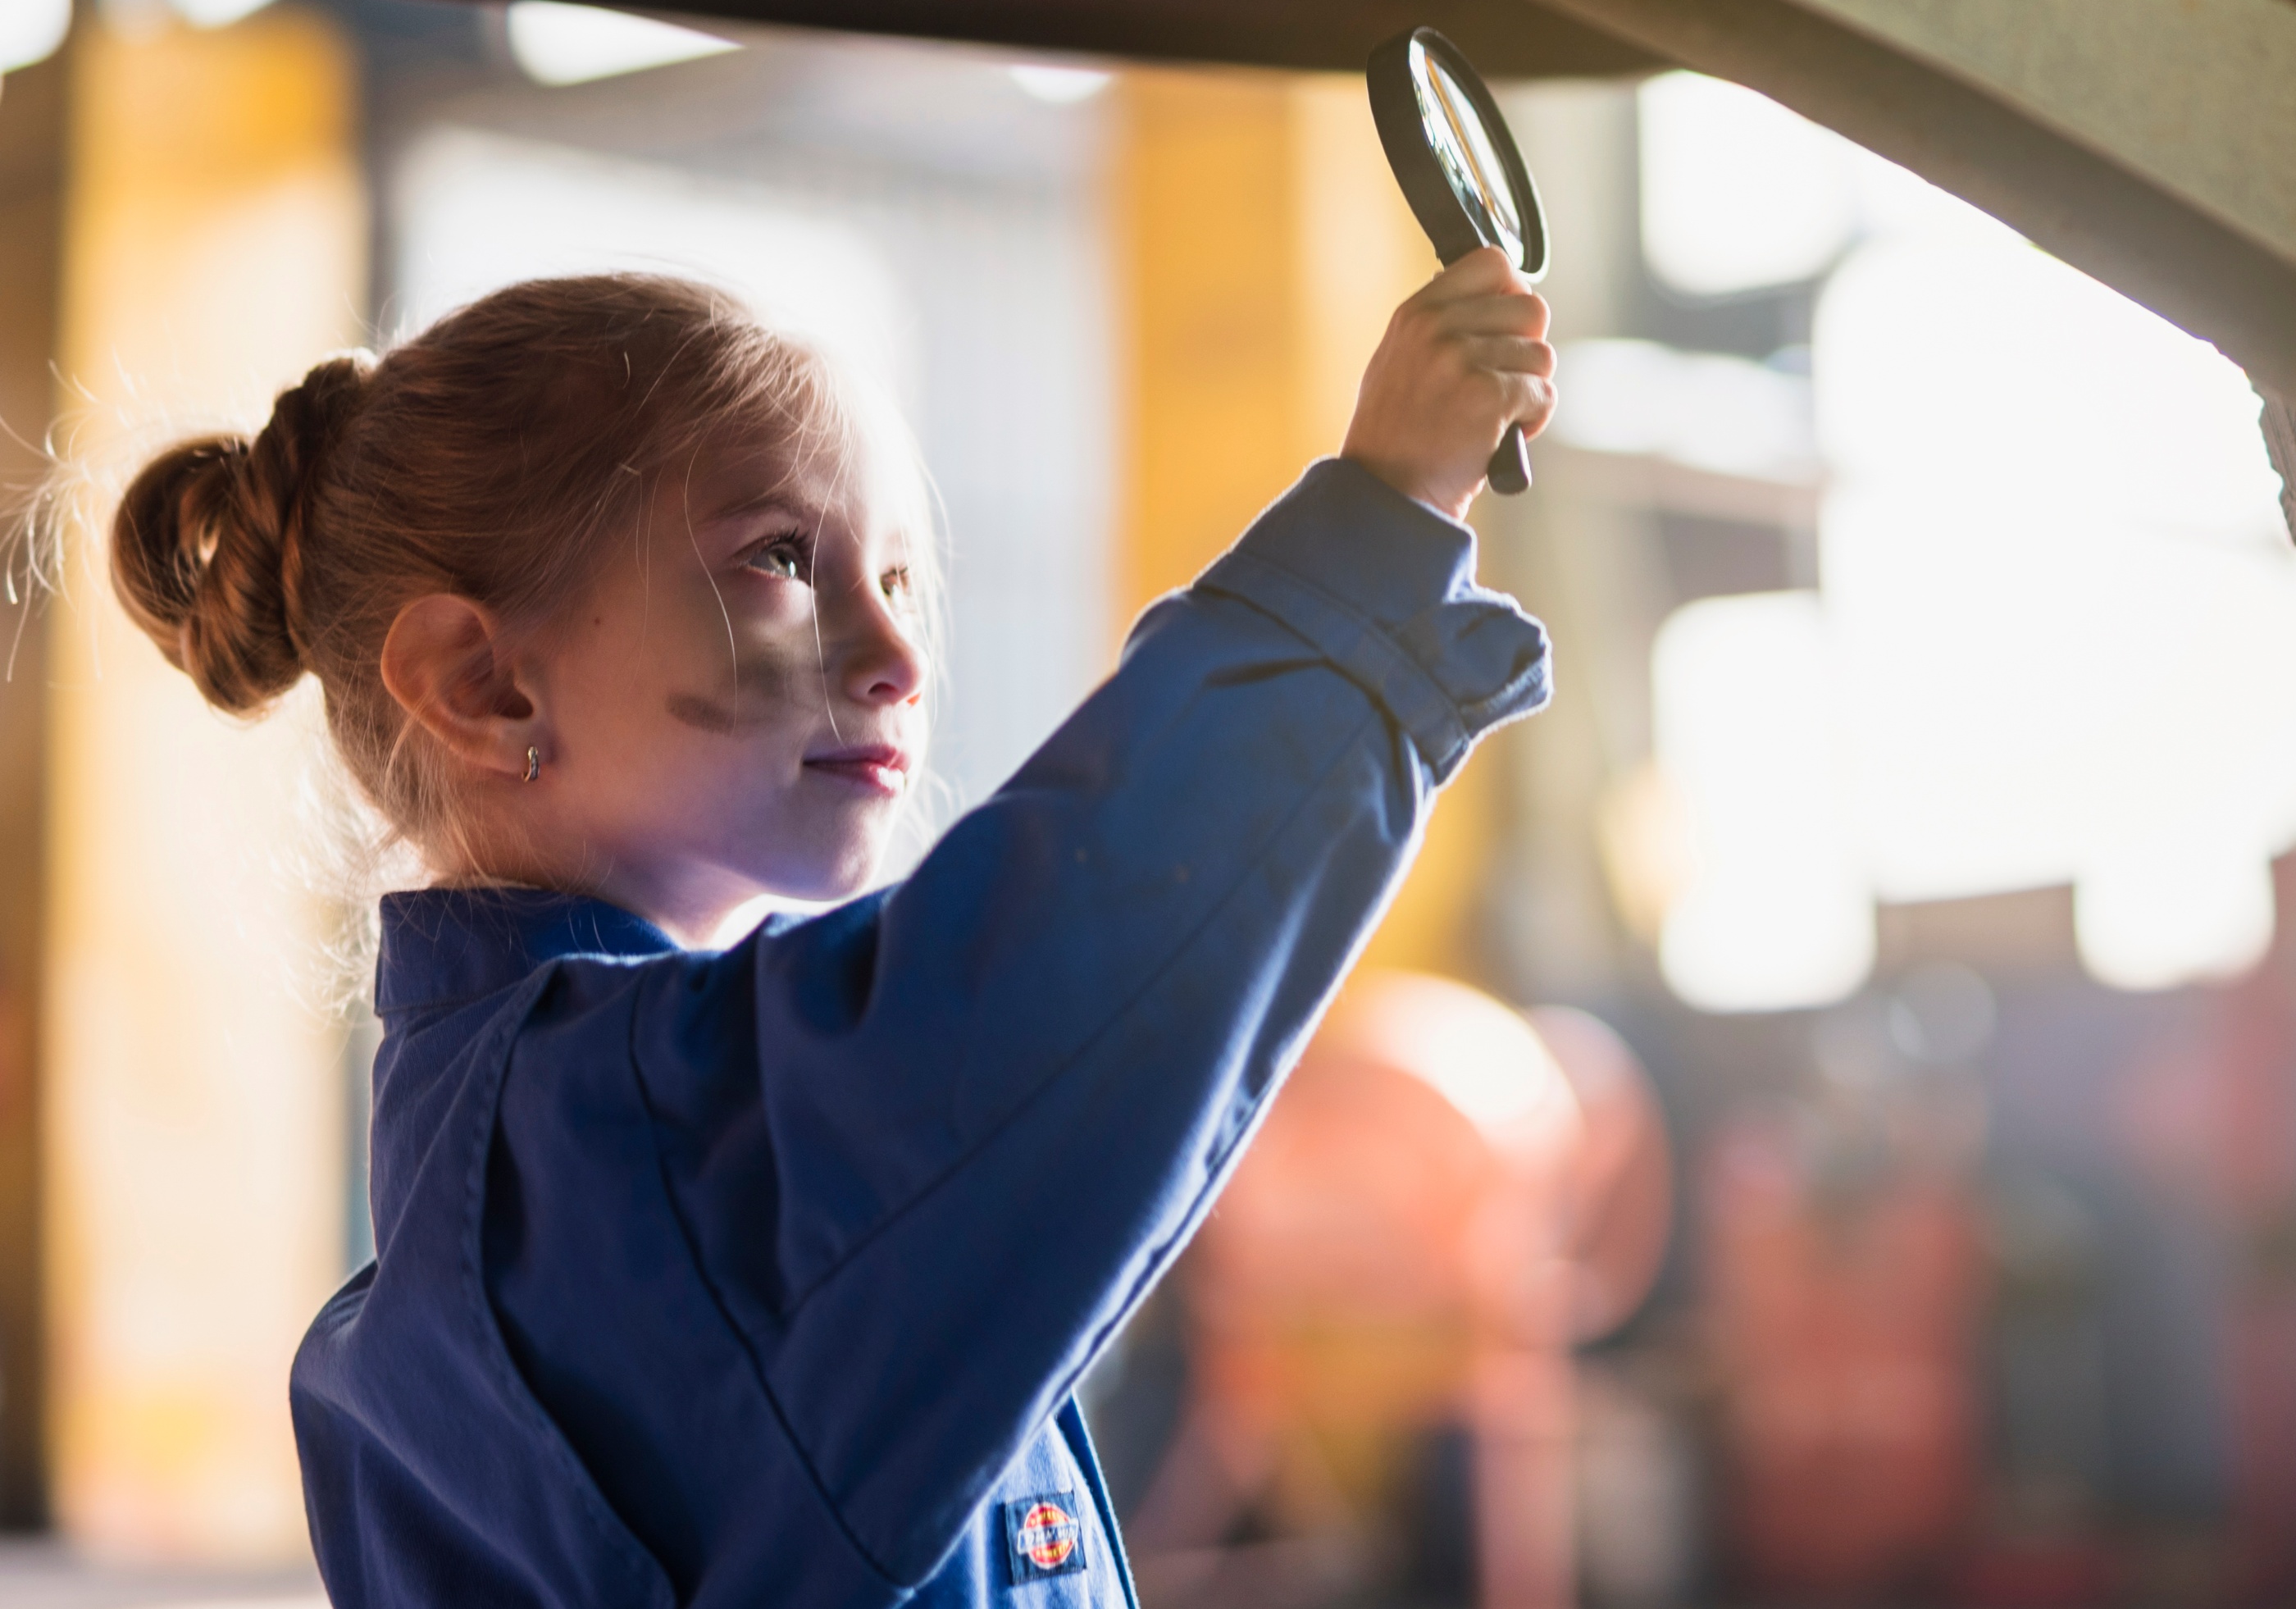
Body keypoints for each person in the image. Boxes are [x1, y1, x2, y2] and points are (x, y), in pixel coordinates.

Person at [105, 253, 1556, 1609]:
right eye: (784, 558)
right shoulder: (634, 1156)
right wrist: (1378, 522)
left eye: (905, 576)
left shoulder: (520, 1139)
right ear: (481, 682)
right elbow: (1053, 980)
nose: (899, 653)